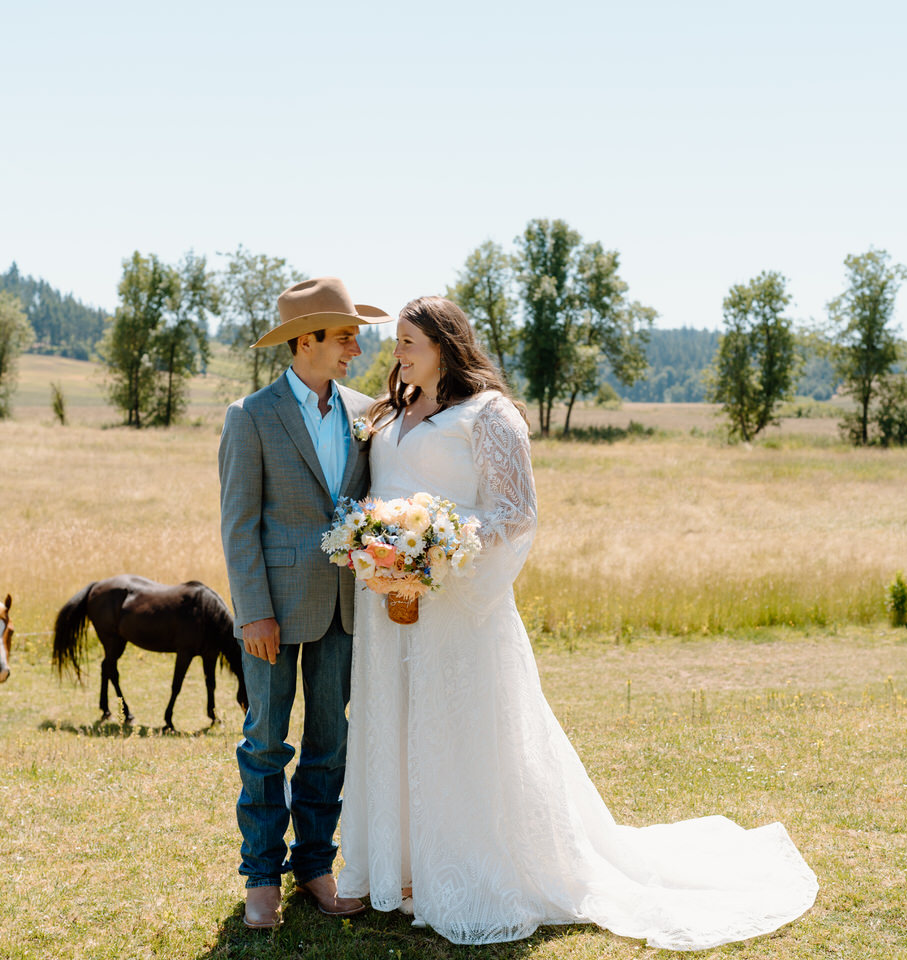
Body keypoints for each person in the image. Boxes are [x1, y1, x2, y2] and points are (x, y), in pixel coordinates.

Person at [336, 296, 818, 950]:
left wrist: (438, 549)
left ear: (446, 344)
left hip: (458, 607)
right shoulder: (385, 412)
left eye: (410, 342)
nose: (398, 354)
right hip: (387, 606)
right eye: (397, 342)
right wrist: (377, 546)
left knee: (459, 730)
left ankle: (470, 871)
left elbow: (516, 512)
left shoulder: (489, 414)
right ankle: (401, 869)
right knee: (395, 722)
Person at [217, 276, 391, 930]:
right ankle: (261, 875)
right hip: (272, 612)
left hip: (344, 607)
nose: (355, 347)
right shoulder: (250, 416)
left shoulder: (366, 412)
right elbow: (239, 525)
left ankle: (315, 867)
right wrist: (253, 610)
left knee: (329, 741)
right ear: (307, 339)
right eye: (346, 336)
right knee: (265, 742)